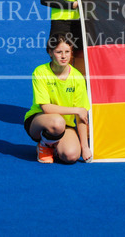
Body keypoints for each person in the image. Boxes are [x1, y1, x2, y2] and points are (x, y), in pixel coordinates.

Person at [24, 33, 92, 164]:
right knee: (57, 122)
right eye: (58, 52)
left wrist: (85, 147)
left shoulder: (77, 78)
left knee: (71, 156)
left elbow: (82, 116)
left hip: (65, 125)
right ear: (50, 52)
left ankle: (55, 145)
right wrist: (76, 110)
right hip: (39, 121)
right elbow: (46, 108)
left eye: (67, 51)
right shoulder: (40, 72)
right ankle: (44, 145)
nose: (63, 56)